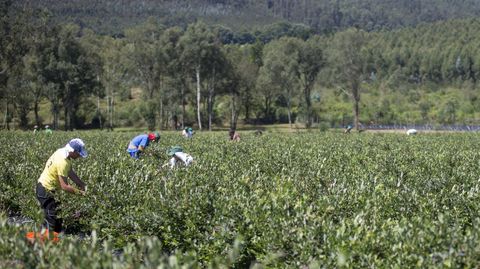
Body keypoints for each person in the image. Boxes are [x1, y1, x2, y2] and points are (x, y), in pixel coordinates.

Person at [29, 138, 87, 242]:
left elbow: (69, 171)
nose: (79, 157)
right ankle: (45, 247)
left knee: (58, 219)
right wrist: (82, 193)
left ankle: (54, 243)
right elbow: (64, 186)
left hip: (48, 190)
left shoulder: (62, 152)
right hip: (46, 191)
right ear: (73, 151)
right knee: (51, 220)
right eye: (79, 154)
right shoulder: (63, 161)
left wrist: (81, 184)